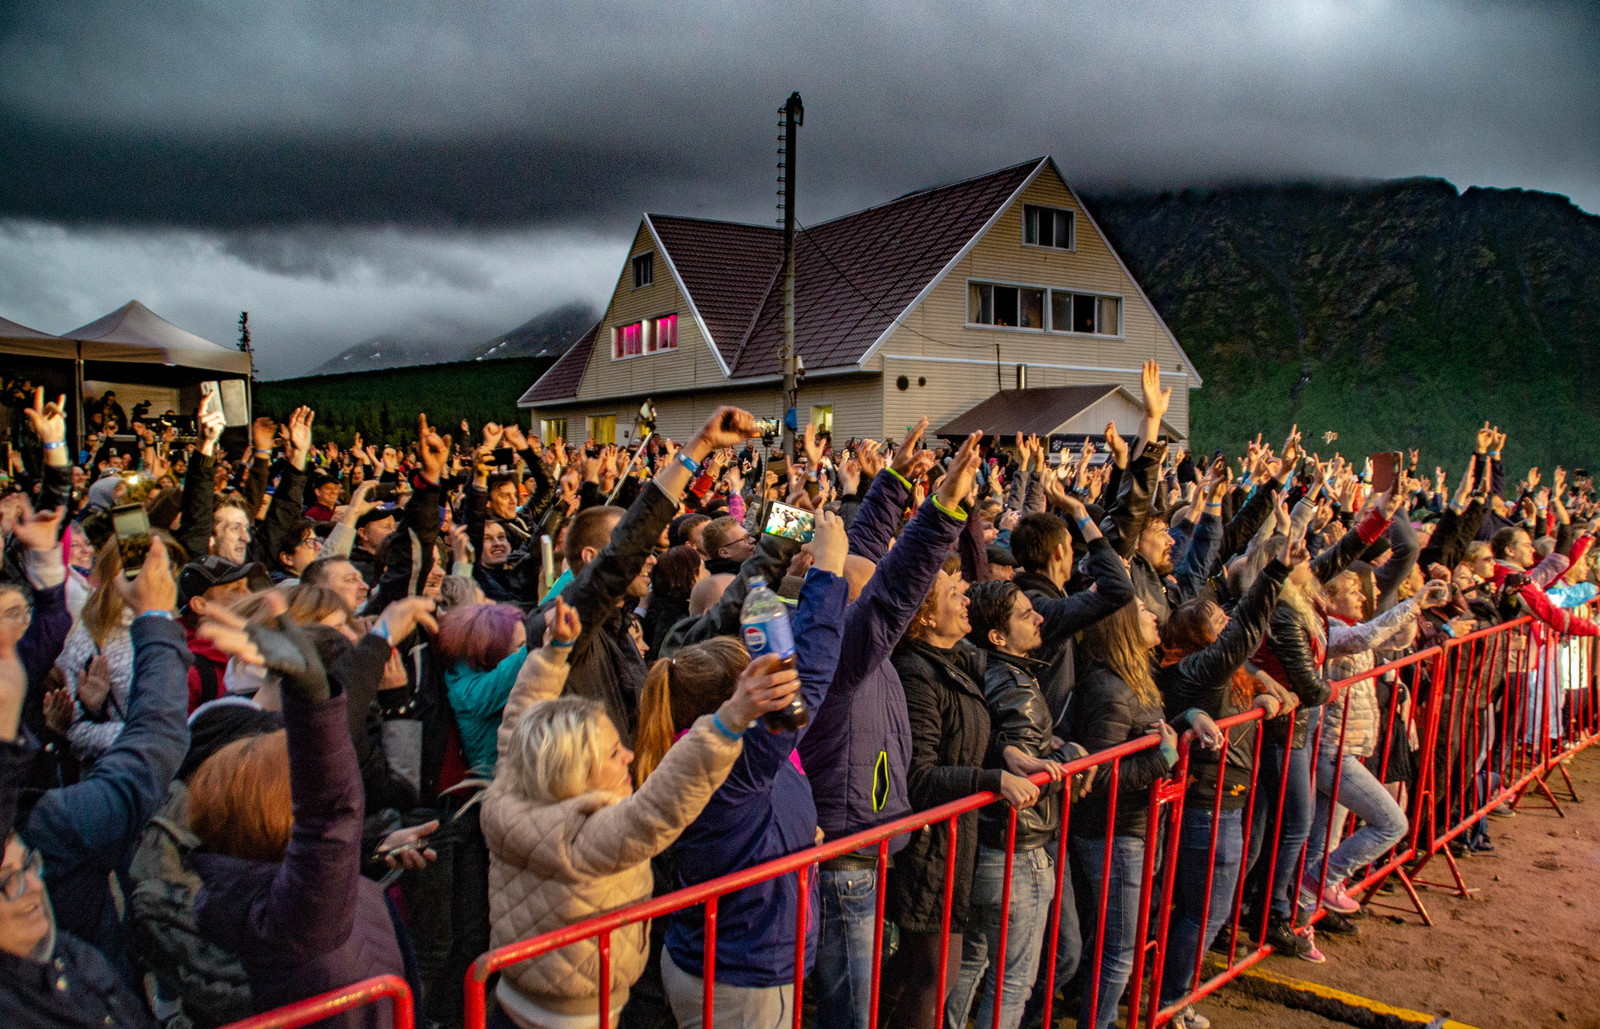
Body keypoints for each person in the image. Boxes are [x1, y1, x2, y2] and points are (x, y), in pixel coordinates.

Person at [481, 598, 807, 1029]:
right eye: (614, 753)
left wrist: (554, 652)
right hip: (572, 1016)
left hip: (512, 998)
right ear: (575, 773)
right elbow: (660, 807)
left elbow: (520, 715)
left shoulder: (507, 790)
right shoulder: (584, 842)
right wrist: (730, 720)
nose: (630, 756)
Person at [639, 510, 848, 1029]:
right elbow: (811, 678)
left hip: (718, 957)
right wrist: (828, 571)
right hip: (743, 976)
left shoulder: (691, 749)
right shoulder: (725, 763)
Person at [187, 596, 437, 1029]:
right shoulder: (292, 918)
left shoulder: (290, 892)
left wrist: (368, 851)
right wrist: (314, 700)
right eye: (296, 790)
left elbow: (317, 862)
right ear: (268, 815)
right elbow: (328, 819)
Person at [1, 535, 186, 1026]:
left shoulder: (82, 961)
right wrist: (157, 623)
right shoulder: (51, 826)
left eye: (27, 868)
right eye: (5, 883)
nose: (29, 890)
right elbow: (152, 749)